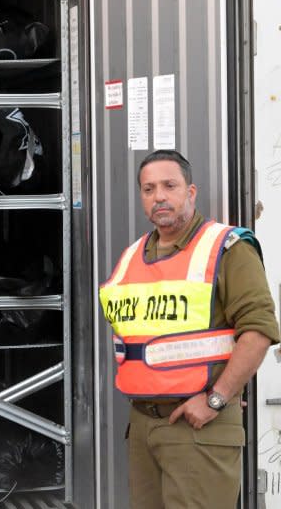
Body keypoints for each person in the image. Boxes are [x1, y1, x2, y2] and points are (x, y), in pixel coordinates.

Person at [99, 150, 280, 509]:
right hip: (143, 425)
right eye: (149, 189)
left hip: (199, 424)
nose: (159, 196)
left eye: (170, 185)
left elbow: (258, 330)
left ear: (191, 192)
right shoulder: (133, 255)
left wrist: (218, 397)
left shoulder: (227, 248)